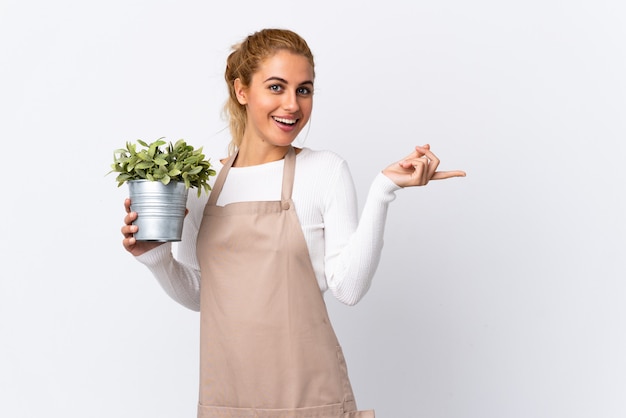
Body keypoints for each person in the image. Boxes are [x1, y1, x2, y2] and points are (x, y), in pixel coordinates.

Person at [120, 28, 465, 418]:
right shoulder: (203, 186)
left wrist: (384, 189)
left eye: (304, 90)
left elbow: (348, 289)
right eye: (276, 87)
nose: (292, 105)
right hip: (228, 402)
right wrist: (158, 259)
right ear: (242, 91)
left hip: (310, 400)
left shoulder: (324, 171)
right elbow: (204, 295)